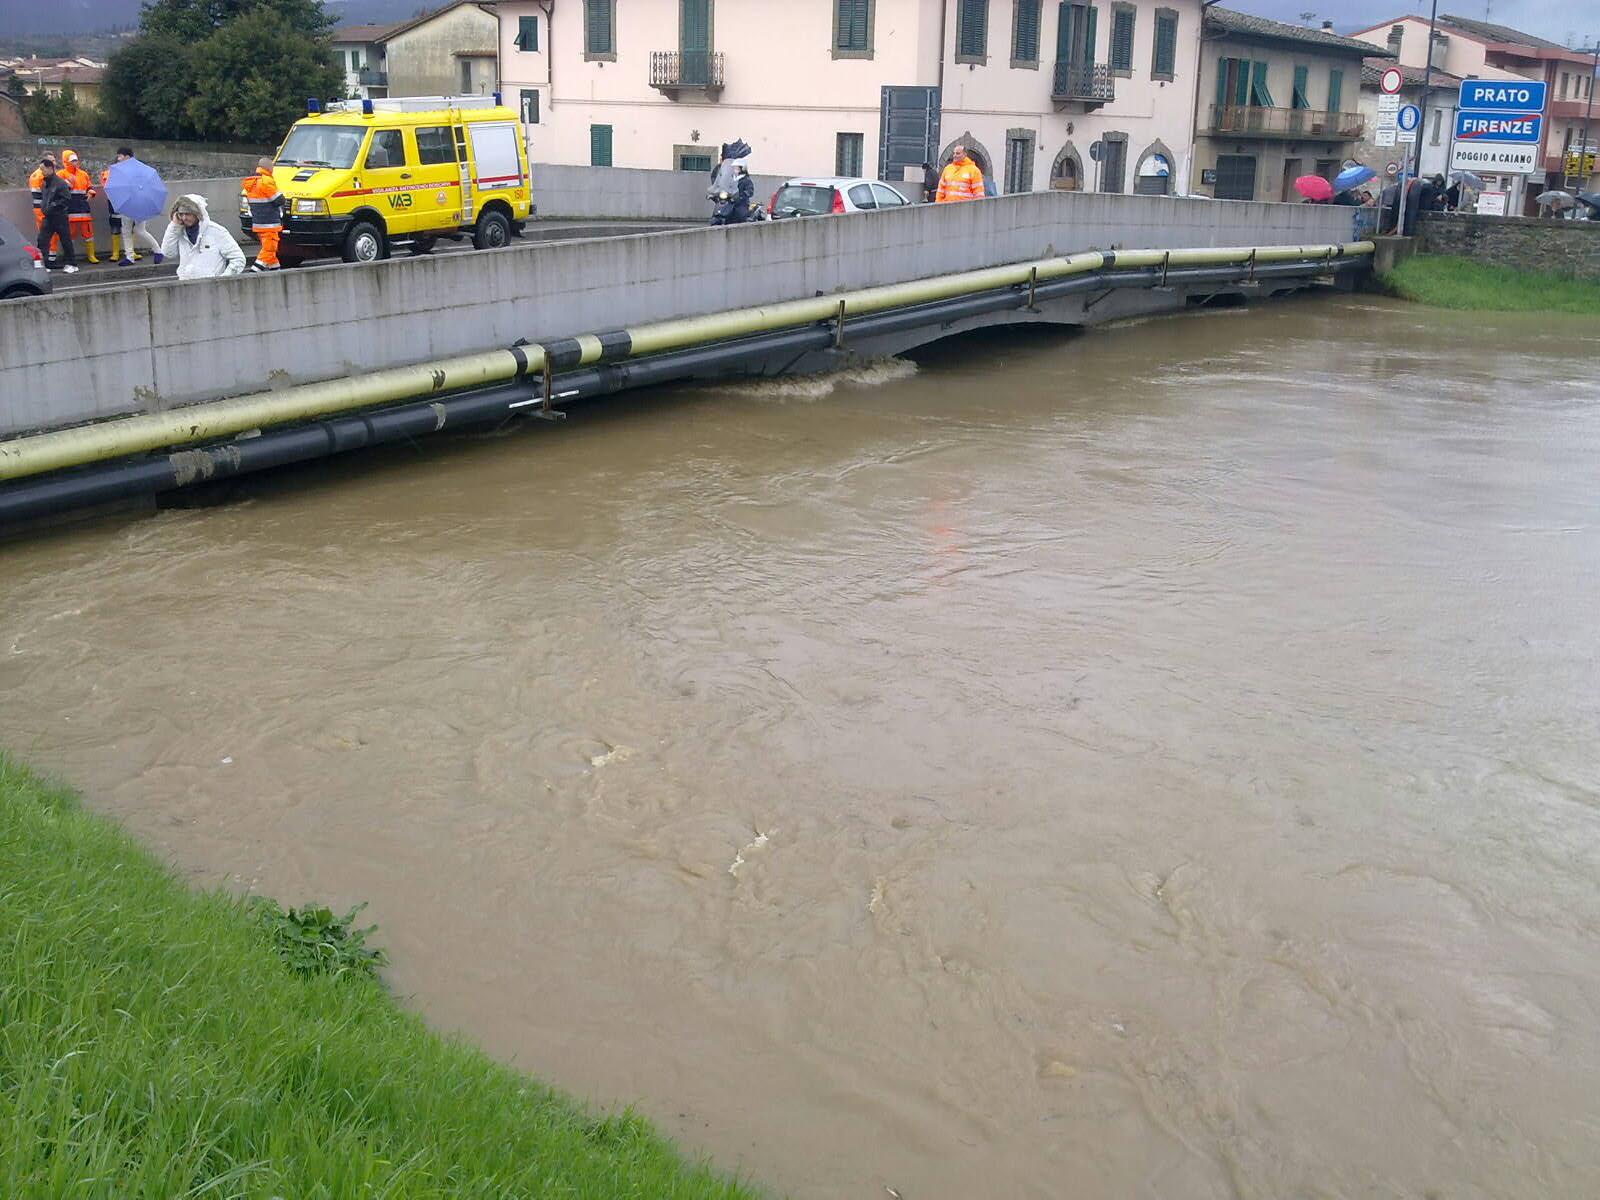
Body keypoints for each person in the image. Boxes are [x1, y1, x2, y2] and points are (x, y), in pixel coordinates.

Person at [160, 194, 246, 280]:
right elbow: (168, 253)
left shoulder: (217, 231)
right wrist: (174, 226)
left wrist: (222, 280)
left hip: (212, 289)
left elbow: (238, 258)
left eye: (188, 214)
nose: (184, 218)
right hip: (185, 287)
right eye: (181, 214)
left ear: (198, 213)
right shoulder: (178, 231)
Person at [104, 146, 163, 266]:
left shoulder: (129, 169)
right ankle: (130, 256)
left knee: (139, 230)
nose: (118, 158)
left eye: (120, 155)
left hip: (136, 202)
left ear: (127, 156)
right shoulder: (132, 168)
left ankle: (157, 251)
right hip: (129, 203)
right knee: (126, 231)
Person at [241, 156, 285, 271]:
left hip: (258, 222)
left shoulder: (251, 182)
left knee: (270, 252)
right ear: (269, 168)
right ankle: (254, 272)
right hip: (270, 222)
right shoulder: (267, 181)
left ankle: (276, 272)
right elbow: (279, 200)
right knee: (269, 250)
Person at [35, 158, 77, 274]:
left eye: (43, 169)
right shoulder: (45, 183)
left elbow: (66, 199)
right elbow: (44, 198)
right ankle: (45, 264)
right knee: (42, 239)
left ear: (50, 168)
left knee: (65, 240)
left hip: (59, 216)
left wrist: (53, 206)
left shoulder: (60, 183)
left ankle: (71, 263)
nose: (41, 171)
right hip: (48, 216)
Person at [59, 149, 99, 264]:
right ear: (66, 161)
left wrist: (91, 193)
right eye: (72, 161)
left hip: (84, 209)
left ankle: (91, 255)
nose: (75, 162)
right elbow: (58, 191)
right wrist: (69, 184)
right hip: (70, 211)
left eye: (76, 160)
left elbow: (89, 187)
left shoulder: (83, 174)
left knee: (89, 234)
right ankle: (70, 257)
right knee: (69, 236)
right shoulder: (61, 174)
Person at [27, 154, 61, 257]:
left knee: (45, 234)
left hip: (41, 208)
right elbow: (48, 193)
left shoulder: (36, 175)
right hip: (44, 208)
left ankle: (46, 258)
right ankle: (48, 258)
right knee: (47, 234)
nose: (55, 163)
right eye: (52, 161)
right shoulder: (43, 176)